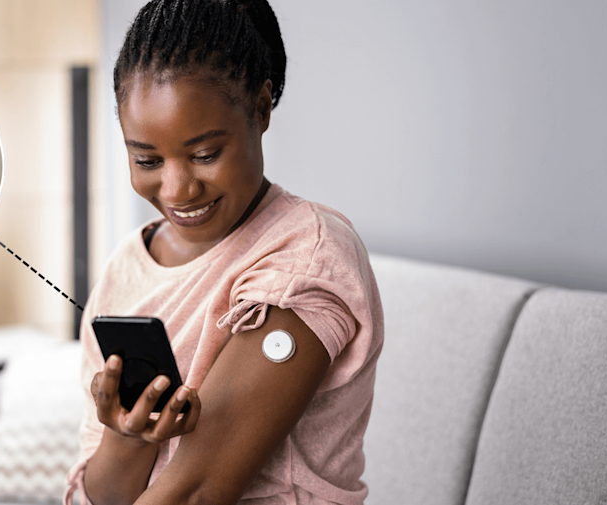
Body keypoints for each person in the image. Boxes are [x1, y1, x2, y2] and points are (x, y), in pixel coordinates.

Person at [66, 1, 384, 504]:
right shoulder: (125, 268)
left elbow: (198, 490)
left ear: (260, 110)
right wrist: (126, 437)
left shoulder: (306, 257)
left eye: (204, 154)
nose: (177, 190)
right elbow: (101, 497)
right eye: (146, 159)